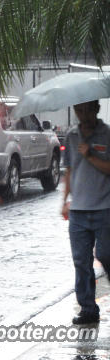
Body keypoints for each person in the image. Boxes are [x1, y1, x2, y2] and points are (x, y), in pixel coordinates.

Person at [62, 100, 110, 324]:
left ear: (97, 109)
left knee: (105, 254)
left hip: (105, 208)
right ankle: (88, 309)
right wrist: (65, 200)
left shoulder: (107, 134)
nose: (82, 114)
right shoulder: (71, 136)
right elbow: (69, 170)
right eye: (78, 110)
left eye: (86, 110)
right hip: (79, 211)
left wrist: (91, 155)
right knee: (81, 261)